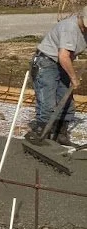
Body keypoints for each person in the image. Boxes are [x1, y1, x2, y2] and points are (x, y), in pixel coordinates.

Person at [27, 9, 84, 145]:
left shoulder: (84, 30)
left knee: (66, 100)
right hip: (46, 62)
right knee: (48, 101)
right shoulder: (69, 28)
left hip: (62, 63)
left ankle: (60, 134)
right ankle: (42, 133)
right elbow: (63, 56)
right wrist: (74, 78)